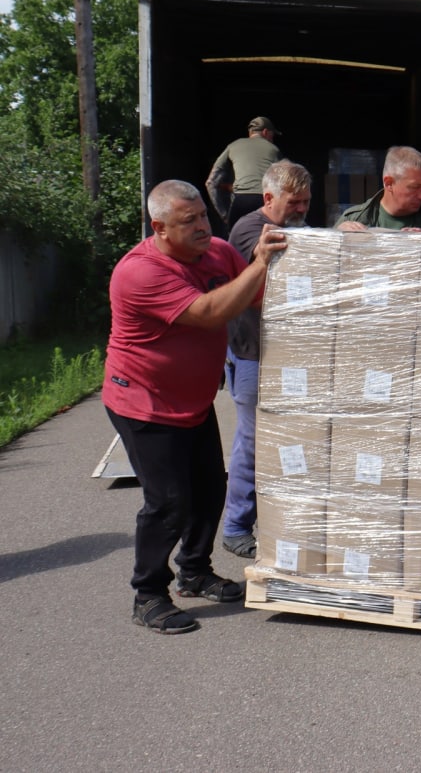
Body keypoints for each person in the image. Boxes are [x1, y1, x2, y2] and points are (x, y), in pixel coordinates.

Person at [105, 179, 288, 634]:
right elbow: (208, 312)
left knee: (209, 492)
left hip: (192, 401)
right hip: (144, 403)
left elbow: (254, 294)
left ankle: (195, 571)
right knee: (169, 503)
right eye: (190, 221)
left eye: (204, 215)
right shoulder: (139, 272)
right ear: (160, 227)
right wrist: (259, 263)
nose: (204, 226)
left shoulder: (219, 254)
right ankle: (148, 594)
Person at [220, 160, 313, 559]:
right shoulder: (248, 231)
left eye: (307, 202)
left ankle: (278, 522)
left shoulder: (300, 231)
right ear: (269, 197)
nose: (301, 209)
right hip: (254, 352)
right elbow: (259, 288)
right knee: (255, 441)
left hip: (291, 354)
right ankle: (236, 525)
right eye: (294, 202)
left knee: (290, 441)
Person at [334, 145, 421, 232]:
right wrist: (338, 237)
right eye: (414, 187)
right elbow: (329, 260)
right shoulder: (354, 218)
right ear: (389, 183)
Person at [206, 116, 282, 231]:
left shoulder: (233, 146)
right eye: (272, 135)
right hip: (265, 201)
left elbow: (210, 182)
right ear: (266, 132)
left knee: (234, 243)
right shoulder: (274, 149)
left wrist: (225, 215)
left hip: (240, 202)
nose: (272, 139)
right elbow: (283, 180)